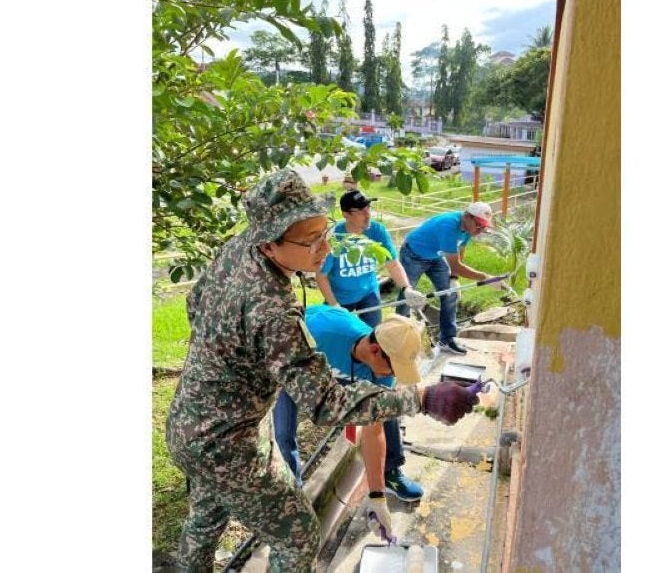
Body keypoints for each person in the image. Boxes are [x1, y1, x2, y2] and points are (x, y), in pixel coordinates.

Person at [165, 169, 482, 573]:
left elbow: (195, 305)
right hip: (227, 441)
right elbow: (325, 404)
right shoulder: (274, 312)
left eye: (325, 232)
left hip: (188, 422)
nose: (325, 249)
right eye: (311, 241)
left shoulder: (238, 249)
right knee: (297, 536)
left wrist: (229, 357)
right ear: (269, 244)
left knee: (205, 518)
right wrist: (423, 398)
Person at [274, 306, 426, 510]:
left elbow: (374, 429)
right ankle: (293, 493)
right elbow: (277, 350)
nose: (394, 375)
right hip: (293, 364)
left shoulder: (381, 368)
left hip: (341, 368)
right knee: (283, 432)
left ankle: (390, 472)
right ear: (375, 350)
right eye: (394, 369)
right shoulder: (320, 330)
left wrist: (377, 496)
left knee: (387, 408)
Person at [396, 201, 508, 355]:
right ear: (467, 216)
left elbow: (460, 251)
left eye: (483, 227)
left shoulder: (468, 229)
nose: (480, 230)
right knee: (407, 297)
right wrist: (486, 278)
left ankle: (447, 340)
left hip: (435, 256)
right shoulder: (448, 226)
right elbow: (456, 265)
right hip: (413, 254)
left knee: (450, 294)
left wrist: (454, 278)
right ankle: (399, 338)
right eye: (479, 225)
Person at [315, 189, 426, 328]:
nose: (367, 214)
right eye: (361, 211)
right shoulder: (333, 237)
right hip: (339, 297)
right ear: (346, 214)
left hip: (368, 293)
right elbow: (321, 275)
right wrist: (334, 305)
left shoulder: (377, 231)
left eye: (368, 208)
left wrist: (406, 288)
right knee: (337, 332)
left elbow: (392, 264)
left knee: (374, 333)